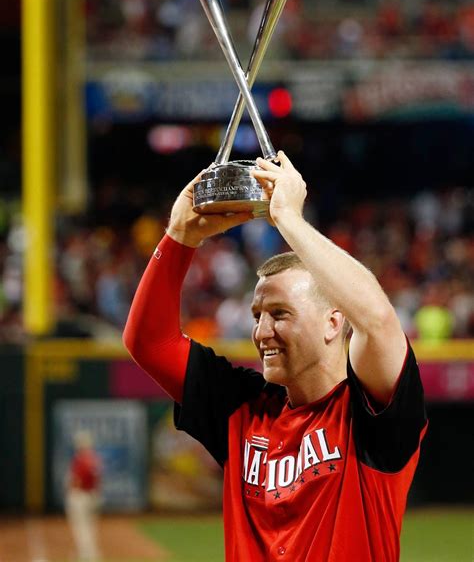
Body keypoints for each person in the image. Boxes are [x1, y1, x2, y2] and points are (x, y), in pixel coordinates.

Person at [123, 151, 427, 562]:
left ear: (333, 322)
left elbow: (377, 320)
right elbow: (149, 343)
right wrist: (180, 235)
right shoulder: (241, 407)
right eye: (257, 315)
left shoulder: (369, 412)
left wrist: (290, 220)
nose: (261, 332)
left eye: (280, 314)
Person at [65, 430, 102, 562]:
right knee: (90, 525)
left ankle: (86, 554)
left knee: (81, 526)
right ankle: (91, 552)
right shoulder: (95, 458)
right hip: (92, 494)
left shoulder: (80, 459)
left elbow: (76, 480)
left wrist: (71, 490)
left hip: (80, 495)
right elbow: (98, 479)